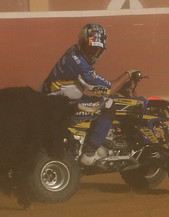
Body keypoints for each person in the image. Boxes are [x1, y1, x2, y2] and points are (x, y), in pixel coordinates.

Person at [41, 23, 136, 166]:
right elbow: (108, 89)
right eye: (90, 48)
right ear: (83, 43)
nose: (93, 52)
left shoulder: (74, 51)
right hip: (61, 105)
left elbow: (92, 86)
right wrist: (127, 75)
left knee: (99, 99)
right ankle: (90, 152)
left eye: (97, 49)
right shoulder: (81, 65)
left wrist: (119, 87)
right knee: (109, 104)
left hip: (54, 99)